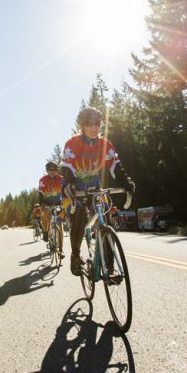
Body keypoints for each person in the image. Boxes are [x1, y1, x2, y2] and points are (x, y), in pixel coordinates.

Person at [60, 107, 135, 276]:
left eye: (97, 124)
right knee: (79, 214)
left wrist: (126, 182)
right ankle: (75, 255)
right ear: (82, 126)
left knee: (106, 218)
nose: (94, 128)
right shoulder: (72, 143)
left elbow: (115, 166)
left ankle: (110, 268)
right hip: (73, 190)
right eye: (89, 124)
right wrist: (70, 183)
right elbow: (67, 168)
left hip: (94, 189)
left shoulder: (105, 144)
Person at [38, 161, 64, 256]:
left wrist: (64, 204)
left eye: (55, 170)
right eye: (50, 170)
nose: (53, 171)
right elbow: (40, 194)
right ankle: (45, 231)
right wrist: (41, 206)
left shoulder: (61, 179)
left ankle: (61, 250)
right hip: (47, 202)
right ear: (47, 170)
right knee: (45, 214)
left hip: (58, 203)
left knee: (60, 225)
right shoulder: (43, 180)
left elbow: (65, 192)